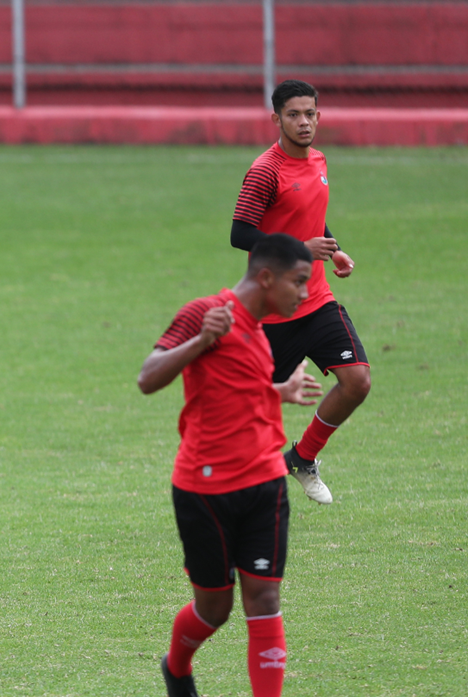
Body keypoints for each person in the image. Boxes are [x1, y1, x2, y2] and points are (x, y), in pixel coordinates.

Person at [138, 234, 323, 697]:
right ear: (266, 276)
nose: (304, 293)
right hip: (206, 490)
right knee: (214, 611)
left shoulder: (260, 331)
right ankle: (176, 667)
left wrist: (278, 392)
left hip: (264, 483)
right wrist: (202, 340)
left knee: (264, 598)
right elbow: (148, 377)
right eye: (298, 282)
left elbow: (234, 391)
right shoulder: (207, 313)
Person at [230, 79, 371, 504]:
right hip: (271, 310)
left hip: (317, 300)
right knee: (247, 414)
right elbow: (240, 234)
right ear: (277, 119)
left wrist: (335, 250)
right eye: (294, 114)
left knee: (357, 382)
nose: (304, 122)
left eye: (310, 113)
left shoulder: (320, 160)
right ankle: (226, 488)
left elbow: (309, 218)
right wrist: (298, 250)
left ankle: (302, 458)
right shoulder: (264, 170)